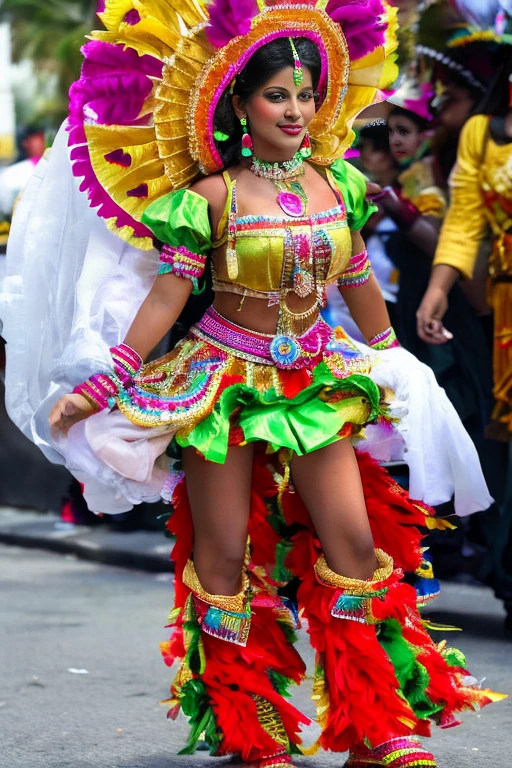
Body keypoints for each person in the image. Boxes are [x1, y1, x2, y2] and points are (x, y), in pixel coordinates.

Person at [1, 2, 503, 767]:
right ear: (241, 103)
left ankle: (372, 723)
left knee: (356, 544)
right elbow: (167, 300)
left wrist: (393, 360)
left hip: (313, 382)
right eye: (278, 96)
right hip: (221, 386)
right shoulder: (208, 199)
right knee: (225, 557)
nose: (297, 111)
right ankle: (249, 721)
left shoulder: (340, 188)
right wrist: (107, 386)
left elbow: (361, 283)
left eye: (307, 95)